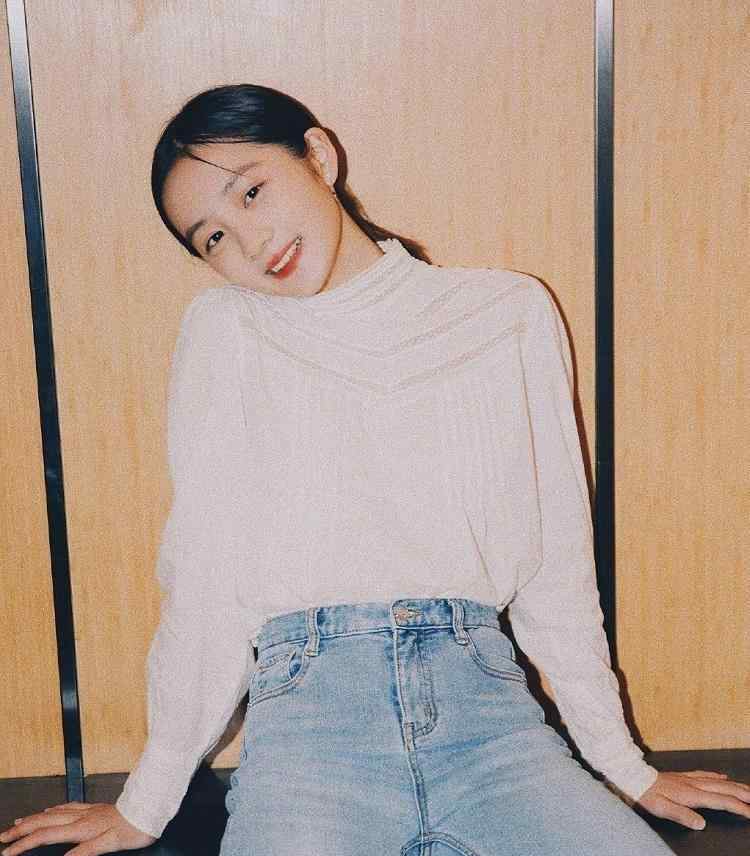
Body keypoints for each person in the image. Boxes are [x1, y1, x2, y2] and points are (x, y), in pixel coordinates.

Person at [2, 83, 748, 856]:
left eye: (252, 192)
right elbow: (205, 581)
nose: (251, 242)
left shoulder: (506, 313)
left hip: (493, 732)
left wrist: (625, 767)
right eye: (214, 238)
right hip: (309, 742)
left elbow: (556, 562)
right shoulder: (226, 332)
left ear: (319, 156)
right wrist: (146, 802)